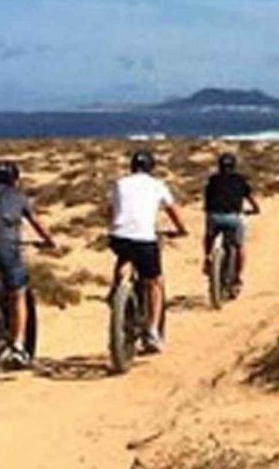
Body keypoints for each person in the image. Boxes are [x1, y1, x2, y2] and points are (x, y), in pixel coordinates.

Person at [0, 160, 57, 367]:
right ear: (15, 180)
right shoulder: (20, 197)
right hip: (6, 248)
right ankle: (17, 346)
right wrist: (50, 242)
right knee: (17, 294)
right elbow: (36, 222)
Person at [107, 149, 188, 352]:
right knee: (154, 282)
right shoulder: (157, 185)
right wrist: (182, 230)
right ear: (151, 167)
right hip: (144, 239)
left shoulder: (120, 183)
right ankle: (152, 331)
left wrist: (113, 227)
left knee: (124, 255)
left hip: (119, 237)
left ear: (132, 167)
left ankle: (118, 289)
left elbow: (111, 210)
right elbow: (172, 211)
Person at [202, 151, 260, 293]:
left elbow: (207, 199)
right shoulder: (240, 180)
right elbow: (250, 199)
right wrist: (255, 209)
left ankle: (208, 257)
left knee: (208, 236)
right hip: (233, 218)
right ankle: (237, 278)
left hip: (214, 216)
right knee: (239, 246)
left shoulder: (213, 180)